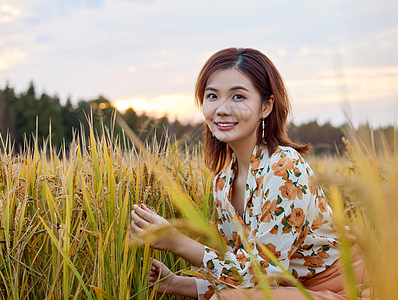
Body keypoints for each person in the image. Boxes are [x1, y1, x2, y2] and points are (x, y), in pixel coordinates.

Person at [130, 48, 368, 299]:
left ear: (266, 106)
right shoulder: (223, 182)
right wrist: (178, 283)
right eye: (212, 96)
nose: (221, 109)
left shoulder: (284, 167)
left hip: (348, 290)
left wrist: (177, 242)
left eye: (238, 97)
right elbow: (244, 275)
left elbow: (263, 273)